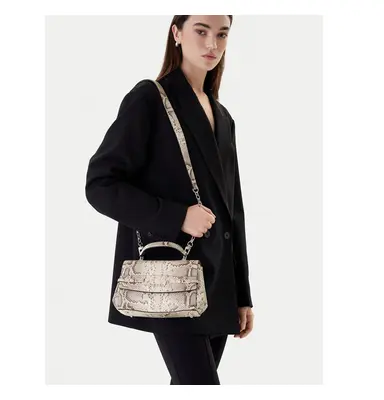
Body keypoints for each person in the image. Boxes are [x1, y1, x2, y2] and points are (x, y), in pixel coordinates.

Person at [85, 15, 254, 385]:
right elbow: (100, 185)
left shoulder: (223, 116)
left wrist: (242, 295)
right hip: (171, 279)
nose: (212, 44)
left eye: (222, 34)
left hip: (218, 285)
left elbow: (234, 211)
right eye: (201, 31)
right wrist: (177, 216)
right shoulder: (149, 99)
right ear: (177, 33)